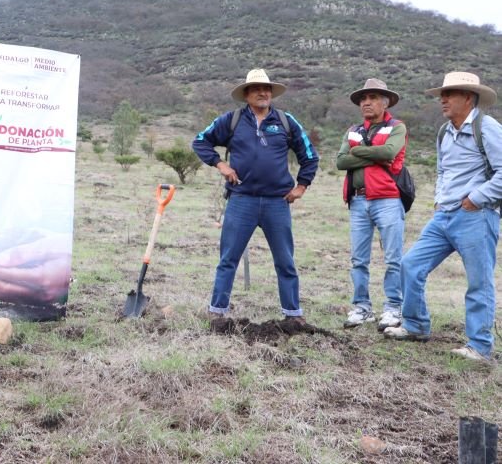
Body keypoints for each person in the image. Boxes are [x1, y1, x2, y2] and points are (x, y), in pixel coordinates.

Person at [385, 72, 502, 362]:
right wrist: (440, 199)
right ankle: (415, 325)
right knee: (410, 265)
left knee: (479, 282)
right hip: (445, 216)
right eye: (442, 94)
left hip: (477, 215)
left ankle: (479, 346)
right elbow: (442, 170)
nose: (443, 99)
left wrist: (476, 198)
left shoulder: (486, 128)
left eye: (450, 94)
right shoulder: (444, 132)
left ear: (468, 97)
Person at [192, 68, 319, 321]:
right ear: (246, 94)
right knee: (228, 258)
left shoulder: (286, 121)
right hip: (242, 200)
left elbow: (309, 156)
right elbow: (200, 141)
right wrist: (220, 164)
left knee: (285, 261)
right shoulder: (232, 120)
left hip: (277, 203)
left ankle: (293, 315)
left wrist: (301, 187)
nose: (263, 93)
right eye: (257, 89)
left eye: (267, 89)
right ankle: (217, 312)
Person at [336, 79, 407, 330]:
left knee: (393, 258)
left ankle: (393, 308)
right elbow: (341, 162)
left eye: (373, 97)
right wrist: (371, 154)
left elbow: (389, 153)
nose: (366, 102)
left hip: (387, 199)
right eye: (363, 99)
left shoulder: (397, 127)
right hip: (358, 200)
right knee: (358, 259)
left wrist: (357, 152)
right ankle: (362, 308)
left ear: (385, 102)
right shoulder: (353, 129)